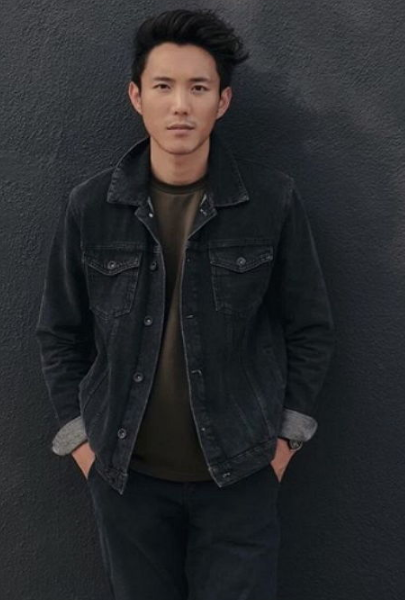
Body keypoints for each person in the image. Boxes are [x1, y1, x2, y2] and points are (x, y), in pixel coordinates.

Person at [35, 8, 335, 600]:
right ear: (136, 97)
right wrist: (84, 448)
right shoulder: (90, 207)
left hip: (240, 477)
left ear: (222, 101)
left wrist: (283, 445)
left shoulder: (271, 201)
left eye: (198, 88)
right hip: (126, 480)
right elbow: (59, 333)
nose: (180, 106)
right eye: (163, 86)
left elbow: (310, 326)